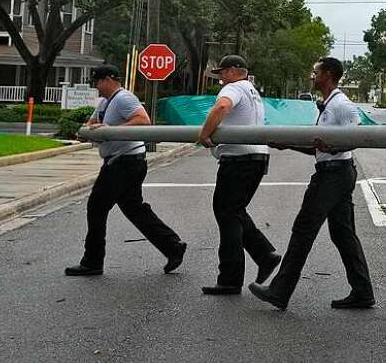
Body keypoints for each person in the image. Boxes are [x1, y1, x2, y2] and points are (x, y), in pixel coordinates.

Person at [249, 57, 374, 311]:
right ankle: (362, 292)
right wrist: (288, 144)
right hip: (335, 171)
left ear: (327, 75)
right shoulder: (328, 106)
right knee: (343, 234)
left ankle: (280, 290)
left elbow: (356, 136)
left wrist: (333, 146)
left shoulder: (341, 105)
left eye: (315, 72)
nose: (312, 76)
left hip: (333, 175)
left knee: (303, 229)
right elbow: (320, 149)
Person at [65, 65, 186, 276]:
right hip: (122, 162)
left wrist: (112, 130)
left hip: (124, 162)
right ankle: (172, 246)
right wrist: (90, 130)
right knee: (134, 209)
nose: (96, 86)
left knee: (96, 207)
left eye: (98, 81)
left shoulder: (123, 98)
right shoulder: (105, 102)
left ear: (109, 80)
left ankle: (92, 262)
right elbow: (94, 123)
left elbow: (143, 119)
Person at [197, 55, 280, 295]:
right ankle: (265, 255)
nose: (221, 77)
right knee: (233, 211)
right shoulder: (252, 90)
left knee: (226, 213)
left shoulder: (233, 88)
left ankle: (231, 278)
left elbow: (222, 106)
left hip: (238, 159)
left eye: (222, 72)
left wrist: (205, 133)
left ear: (234, 71)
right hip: (256, 157)